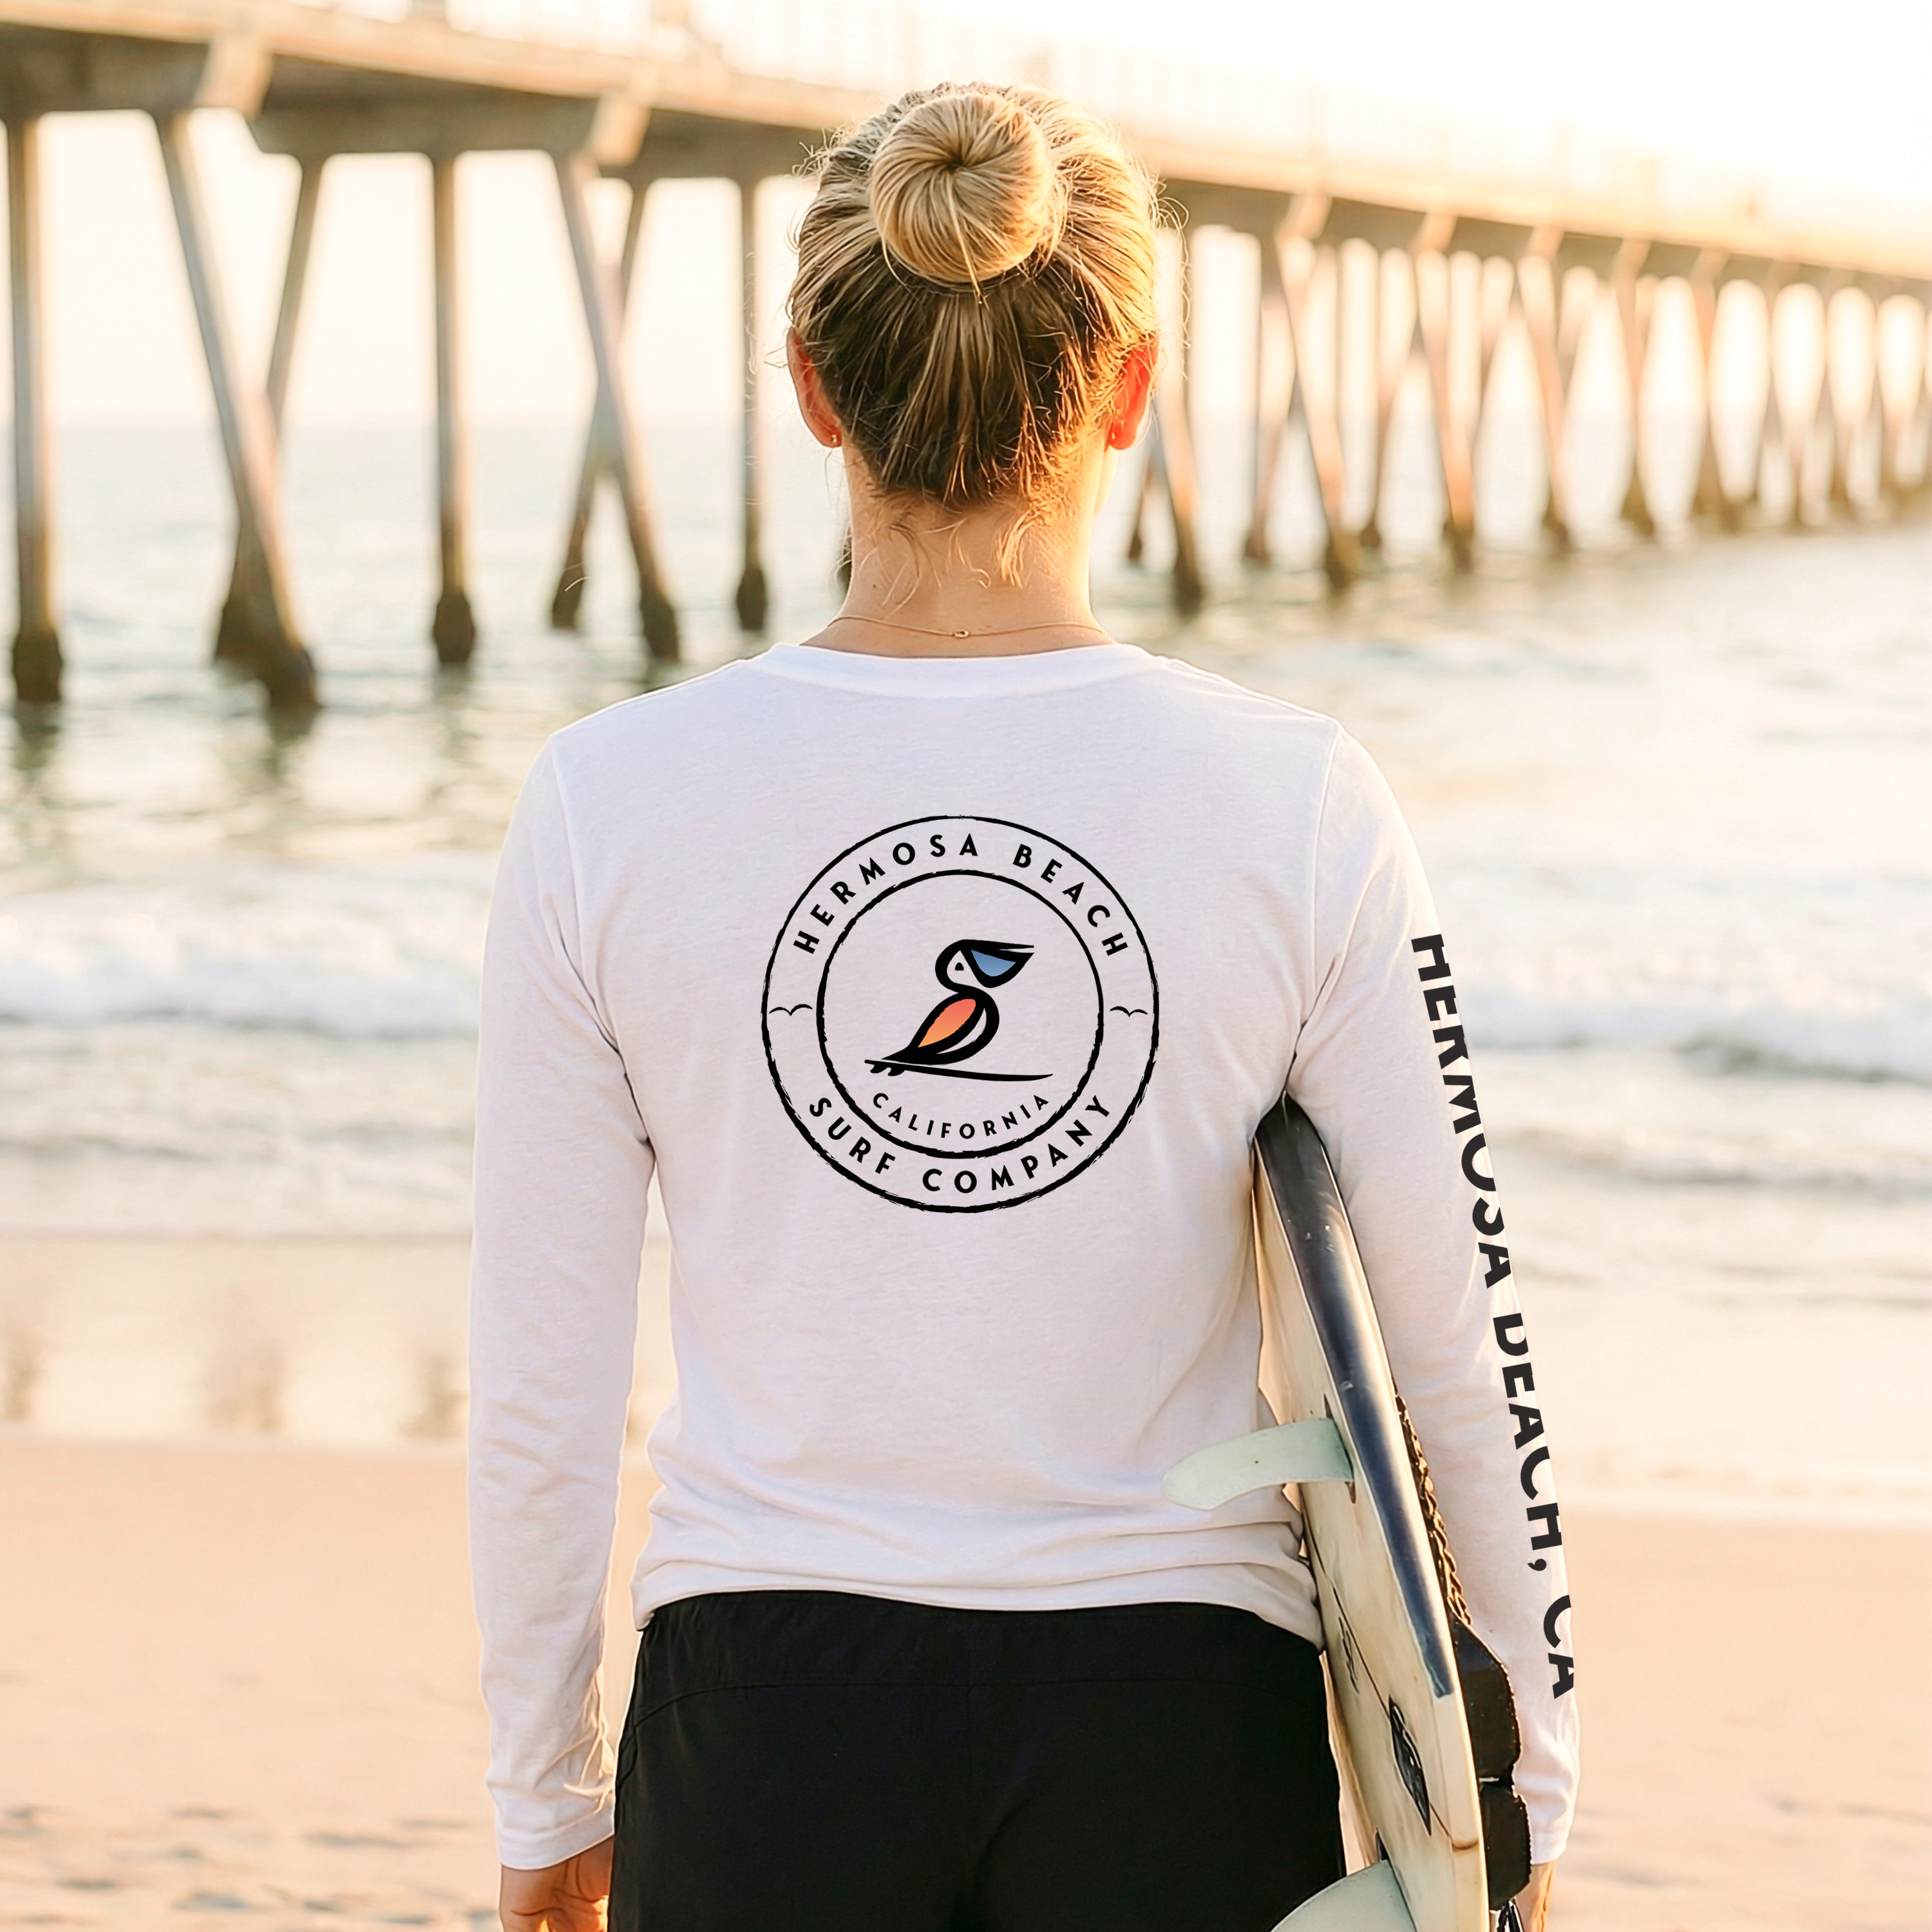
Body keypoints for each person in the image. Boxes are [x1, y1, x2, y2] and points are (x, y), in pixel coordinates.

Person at [470, 82, 1577, 1932]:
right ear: (1135, 392)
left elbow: (539, 1380)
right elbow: (1462, 1349)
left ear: (814, 388)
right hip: (1178, 1720)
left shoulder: (606, 800)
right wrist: (1523, 1794)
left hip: (758, 1721)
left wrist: (544, 1793)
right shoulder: (1298, 803)